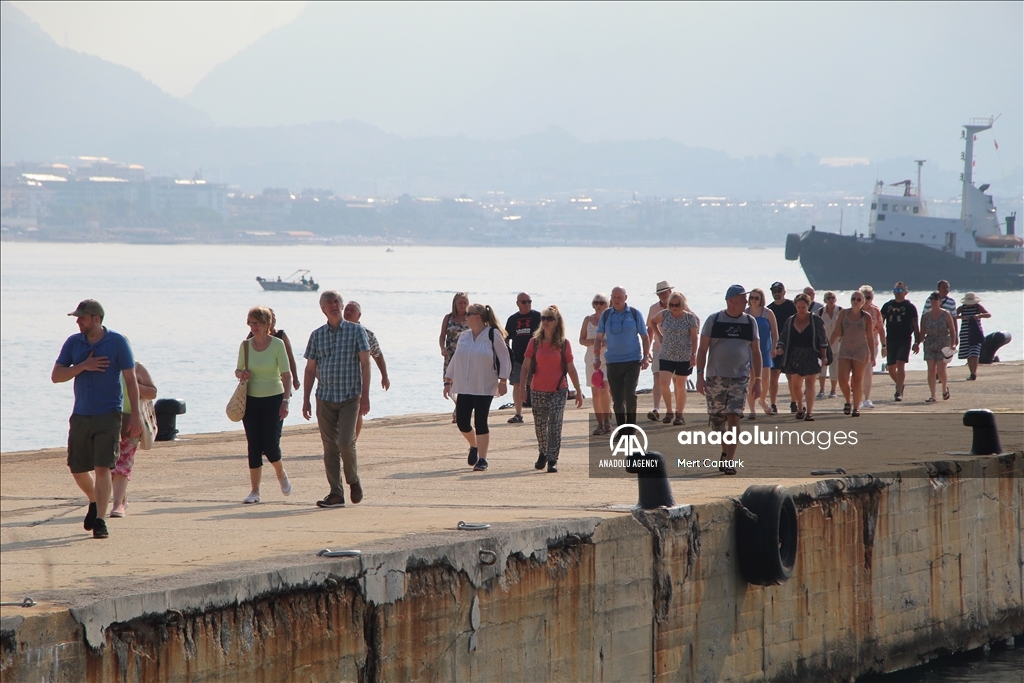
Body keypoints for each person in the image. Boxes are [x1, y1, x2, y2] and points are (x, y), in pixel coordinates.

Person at [51, 299, 142, 539]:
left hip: (109, 414)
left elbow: (131, 380)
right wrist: (83, 365)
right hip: (81, 414)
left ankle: (101, 520)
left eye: (82, 317)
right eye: (77, 318)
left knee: (103, 467)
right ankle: (94, 500)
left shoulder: (117, 342)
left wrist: (136, 416)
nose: (78, 321)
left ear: (96, 319)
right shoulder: (73, 342)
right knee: (78, 469)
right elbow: (57, 376)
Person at [302, 290, 371, 508]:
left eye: (336, 301)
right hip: (325, 397)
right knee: (329, 447)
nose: (333, 305)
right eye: (328, 303)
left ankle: (353, 480)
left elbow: (366, 363)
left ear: (341, 306)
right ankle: (336, 493)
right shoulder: (317, 335)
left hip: (350, 395)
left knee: (345, 442)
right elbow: (310, 369)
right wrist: (306, 399)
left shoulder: (356, 331)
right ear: (322, 309)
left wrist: (366, 396)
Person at [695, 285, 762, 475]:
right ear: (731, 300)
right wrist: (699, 376)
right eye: (742, 298)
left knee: (734, 414)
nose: (746, 302)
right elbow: (702, 350)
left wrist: (758, 379)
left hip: (740, 376)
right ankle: (725, 451)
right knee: (718, 422)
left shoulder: (750, 322)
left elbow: (756, 352)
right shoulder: (714, 320)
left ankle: (730, 461)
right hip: (715, 376)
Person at [444, 303, 511, 472]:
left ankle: (482, 458)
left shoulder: (492, 334)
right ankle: (474, 445)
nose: (465, 317)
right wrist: (448, 380)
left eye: (468, 314)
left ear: (478, 317)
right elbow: (455, 358)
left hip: (484, 385)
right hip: (464, 385)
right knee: (462, 422)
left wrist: (503, 381)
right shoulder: (464, 336)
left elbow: (504, 358)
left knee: (481, 421)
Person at [237, 306, 293, 504]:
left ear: (267, 324)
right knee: (254, 445)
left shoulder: (278, 344)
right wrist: (241, 374)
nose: (253, 327)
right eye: (250, 323)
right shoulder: (245, 346)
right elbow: (238, 371)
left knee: (270, 445)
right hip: (251, 400)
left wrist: (286, 401)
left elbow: (286, 375)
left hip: (274, 398)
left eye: (257, 323)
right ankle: (255, 492)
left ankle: (280, 472)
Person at [521, 306, 584, 473]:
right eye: (543, 318)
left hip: (558, 390)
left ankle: (552, 459)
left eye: (549, 318)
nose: (545, 321)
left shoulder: (564, 344)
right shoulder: (534, 342)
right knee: (540, 426)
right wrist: (522, 388)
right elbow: (525, 367)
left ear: (557, 322)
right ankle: (542, 451)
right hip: (537, 390)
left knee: (555, 425)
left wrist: (578, 390)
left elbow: (571, 368)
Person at [593, 286, 651, 428]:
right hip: (613, 361)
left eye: (619, 297)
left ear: (626, 298)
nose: (617, 300)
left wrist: (646, 356)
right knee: (617, 398)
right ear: (611, 298)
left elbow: (645, 336)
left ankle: (631, 427)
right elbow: (598, 338)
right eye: (614, 297)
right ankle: (621, 428)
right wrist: (596, 358)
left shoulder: (634, 313)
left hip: (632, 360)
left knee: (630, 394)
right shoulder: (606, 315)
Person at [109, 362, 157, 518]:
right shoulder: (102, 364)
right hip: (104, 420)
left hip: (130, 420)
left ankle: (118, 504)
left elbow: (152, 392)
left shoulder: (136, 367)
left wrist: (134, 385)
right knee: (106, 464)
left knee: (123, 462)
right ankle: (121, 498)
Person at [775, 293, 829, 421]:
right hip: (794, 355)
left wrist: (824, 356)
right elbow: (783, 336)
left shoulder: (815, 320)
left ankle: (809, 412)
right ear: (795, 306)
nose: (801, 309)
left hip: (811, 354)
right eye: (798, 307)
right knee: (796, 386)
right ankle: (800, 407)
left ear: (808, 306)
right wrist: (780, 347)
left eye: (803, 307)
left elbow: (822, 339)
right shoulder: (791, 320)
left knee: (810, 384)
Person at [650, 291, 699, 426]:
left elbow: (695, 338)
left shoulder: (690, 318)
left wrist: (694, 355)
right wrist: (659, 335)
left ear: (682, 304)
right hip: (666, 354)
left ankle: (679, 413)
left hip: (684, 356)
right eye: (671, 304)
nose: (674, 307)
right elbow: (652, 322)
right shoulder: (665, 314)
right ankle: (669, 411)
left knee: (680, 385)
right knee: (664, 383)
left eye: (677, 305)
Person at [343, 301, 391, 440]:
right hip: (338, 378)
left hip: (357, 379)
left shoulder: (367, 334)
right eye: (346, 309)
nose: (348, 312)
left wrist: (384, 376)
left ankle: (352, 441)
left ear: (359, 315)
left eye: (352, 310)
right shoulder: (334, 331)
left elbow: (378, 355)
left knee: (356, 412)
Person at [830, 290, 875, 417]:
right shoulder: (844, 313)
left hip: (861, 351)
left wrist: (873, 355)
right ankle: (848, 401)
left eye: (858, 299)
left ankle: (856, 408)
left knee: (857, 380)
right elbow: (835, 331)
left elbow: (870, 337)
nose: (855, 301)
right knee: (843, 378)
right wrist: (827, 347)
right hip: (844, 349)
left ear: (863, 302)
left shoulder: (866, 317)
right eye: (853, 298)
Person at [880, 282, 921, 402]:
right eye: (896, 290)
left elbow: (915, 325)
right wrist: (880, 340)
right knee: (891, 367)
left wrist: (917, 342)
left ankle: (898, 391)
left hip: (904, 339)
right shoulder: (887, 306)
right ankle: (900, 384)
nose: (898, 293)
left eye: (900, 290)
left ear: (905, 292)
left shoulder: (910, 307)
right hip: (890, 339)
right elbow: (880, 323)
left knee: (900, 363)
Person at [505, 293, 541, 423]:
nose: (527, 304)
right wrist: (507, 354)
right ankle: (518, 414)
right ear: (518, 303)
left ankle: (539, 413)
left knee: (537, 386)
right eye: (524, 302)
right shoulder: (512, 319)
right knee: (517, 385)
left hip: (536, 358)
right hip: (518, 357)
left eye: (529, 301)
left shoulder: (538, 317)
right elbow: (506, 337)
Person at [580, 293, 613, 435]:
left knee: (604, 388)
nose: (599, 305)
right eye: (596, 303)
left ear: (607, 305)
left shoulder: (610, 320)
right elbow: (581, 340)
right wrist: (594, 342)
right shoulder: (588, 319)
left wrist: (606, 343)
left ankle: (607, 421)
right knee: (595, 392)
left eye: (602, 303)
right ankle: (599, 423)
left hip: (607, 359)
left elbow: (616, 338)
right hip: (591, 359)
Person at [745, 288, 778, 418]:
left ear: (761, 299)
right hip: (749, 350)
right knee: (751, 379)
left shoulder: (768, 313)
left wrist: (774, 347)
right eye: (751, 297)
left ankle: (763, 400)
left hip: (765, 349)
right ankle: (752, 410)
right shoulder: (745, 313)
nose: (753, 300)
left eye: (756, 298)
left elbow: (775, 333)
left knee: (765, 380)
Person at [766, 282, 796, 413]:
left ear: (784, 291)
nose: (776, 293)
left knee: (791, 375)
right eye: (774, 291)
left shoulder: (792, 306)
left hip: (791, 345)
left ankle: (794, 402)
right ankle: (773, 404)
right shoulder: (769, 309)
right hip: (775, 345)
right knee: (774, 375)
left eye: (779, 290)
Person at [921, 292, 957, 402]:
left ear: (939, 301)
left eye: (935, 299)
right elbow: (922, 331)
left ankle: (944, 389)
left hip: (943, 342)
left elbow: (952, 329)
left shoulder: (946, 314)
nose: (933, 301)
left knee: (941, 370)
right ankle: (933, 395)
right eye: (931, 299)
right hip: (930, 342)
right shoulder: (925, 316)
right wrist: (917, 343)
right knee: (931, 369)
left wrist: (953, 343)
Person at [440, 292, 470, 423]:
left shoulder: (471, 317)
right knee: (449, 382)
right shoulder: (448, 317)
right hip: (450, 353)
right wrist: (442, 348)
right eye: (460, 303)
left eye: (465, 303)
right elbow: (442, 336)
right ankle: (459, 405)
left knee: (464, 382)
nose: (463, 305)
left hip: (466, 354)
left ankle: (460, 410)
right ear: (455, 304)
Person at [646, 281, 673, 421]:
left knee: (675, 380)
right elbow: (650, 330)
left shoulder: (679, 305)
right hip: (658, 349)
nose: (663, 295)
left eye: (665, 292)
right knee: (657, 377)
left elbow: (694, 321)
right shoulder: (653, 308)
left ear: (670, 292)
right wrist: (647, 351)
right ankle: (656, 409)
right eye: (660, 293)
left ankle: (674, 410)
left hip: (677, 350)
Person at [858, 285, 886, 408]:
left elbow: (881, 329)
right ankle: (857, 398)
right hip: (857, 344)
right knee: (858, 371)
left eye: (870, 297)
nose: (868, 299)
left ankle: (867, 399)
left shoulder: (876, 311)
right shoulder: (855, 311)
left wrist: (884, 346)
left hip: (872, 344)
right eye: (865, 297)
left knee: (868, 369)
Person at [956, 292, 990, 381]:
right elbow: (952, 317)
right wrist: (961, 317)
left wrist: (979, 315)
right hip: (965, 333)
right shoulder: (962, 308)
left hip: (976, 333)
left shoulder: (978, 307)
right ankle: (971, 372)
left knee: (974, 353)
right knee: (968, 354)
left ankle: (974, 372)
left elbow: (988, 314)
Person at [817, 291, 842, 399]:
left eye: (833, 298)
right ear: (825, 300)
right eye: (828, 298)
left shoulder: (841, 311)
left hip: (837, 345)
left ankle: (833, 390)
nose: (831, 300)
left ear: (835, 299)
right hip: (823, 344)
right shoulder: (821, 311)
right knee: (822, 367)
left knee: (834, 368)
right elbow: (818, 328)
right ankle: (822, 390)